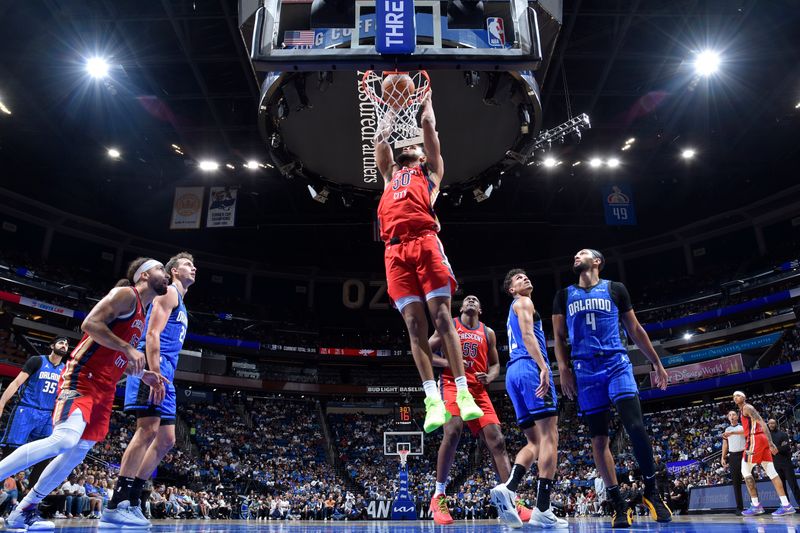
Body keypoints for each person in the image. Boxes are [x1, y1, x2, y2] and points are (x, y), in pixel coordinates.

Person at [0, 257, 169, 530]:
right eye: (161, 269)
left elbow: (114, 355)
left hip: (106, 388)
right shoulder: (127, 295)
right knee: (64, 439)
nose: (165, 275)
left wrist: (141, 373)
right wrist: (127, 348)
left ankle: (24, 510)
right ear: (145, 274)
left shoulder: (142, 312)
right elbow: (90, 324)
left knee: (77, 452)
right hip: (84, 377)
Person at [375, 91, 482, 433]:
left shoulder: (430, 173)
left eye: (414, 147)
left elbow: (428, 127)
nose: (409, 147)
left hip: (425, 243)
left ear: (421, 154)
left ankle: (463, 393)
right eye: (406, 147)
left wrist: (427, 99)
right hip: (394, 251)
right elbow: (380, 140)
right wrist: (390, 107)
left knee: (440, 317)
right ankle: (432, 399)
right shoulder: (390, 176)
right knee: (413, 324)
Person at [552, 249, 672, 528]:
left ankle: (651, 491)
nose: (575, 256)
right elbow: (558, 337)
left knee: (636, 427)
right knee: (598, 440)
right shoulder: (563, 295)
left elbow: (635, 329)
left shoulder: (615, 289)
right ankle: (618, 503)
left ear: (597, 262)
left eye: (581, 254)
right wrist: (565, 370)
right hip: (585, 370)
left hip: (616, 362)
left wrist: (656, 362)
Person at [102, 252, 196, 527]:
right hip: (153, 362)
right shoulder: (168, 294)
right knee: (147, 430)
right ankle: (116, 501)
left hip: (166, 367)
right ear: (174, 271)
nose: (194, 268)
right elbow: (152, 333)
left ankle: (133, 498)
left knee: (167, 438)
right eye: (188, 265)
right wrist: (153, 372)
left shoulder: (181, 301)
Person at [427, 295, 530, 524]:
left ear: (480, 309)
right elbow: (425, 351)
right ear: (462, 307)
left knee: (497, 441)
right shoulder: (449, 324)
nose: (471, 300)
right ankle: (439, 495)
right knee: (453, 431)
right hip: (452, 383)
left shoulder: (488, 332)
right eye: (467, 299)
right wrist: (449, 363)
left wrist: (490, 376)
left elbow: (495, 364)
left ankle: (512, 498)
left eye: (475, 299)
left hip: (478, 390)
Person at [490, 269, 567, 529]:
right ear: (511, 290)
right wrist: (543, 366)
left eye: (525, 276)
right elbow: (527, 335)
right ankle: (542, 508)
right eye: (517, 279)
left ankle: (509, 488)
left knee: (534, 440)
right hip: (529, 367)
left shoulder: (513, 306)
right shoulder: (524, 301)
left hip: (513, 373)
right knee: (549, 436)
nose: (525, 279)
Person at [0, 337, 68, 487]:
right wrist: (2, 403)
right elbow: (17, 382)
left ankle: (30, 494)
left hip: (47, 415)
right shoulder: (37, 361)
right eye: (61, 342)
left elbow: (63, 395)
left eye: (66, 344)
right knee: (11, 449)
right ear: (52, 346)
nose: (64, 345)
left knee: (47, 452)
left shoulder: (65, 370)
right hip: (26, 409)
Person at [726, 391, 794, 516]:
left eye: (738, 395)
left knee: (745, 469)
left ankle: (756, 505)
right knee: (772, 472)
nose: (736, 397)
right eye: (734, 396)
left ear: (744, 397)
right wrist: (733, 433)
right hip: (758, 439)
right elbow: (748, 430)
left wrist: (771, 442)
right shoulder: (743, 411)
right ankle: (786, 505)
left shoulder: (747, 407)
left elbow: (762, 423)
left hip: (755, 439)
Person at [768, 418, 800, 507]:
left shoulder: (783, 434)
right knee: (781, 487)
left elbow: (786, 447)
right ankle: (786, 506)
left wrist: (776, 449)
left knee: (793, 485)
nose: (771, 425)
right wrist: (779, 447)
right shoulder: (767, 437)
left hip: (786, 463)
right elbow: (767, 449)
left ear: (776, 424)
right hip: (776, 464)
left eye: (773, 423)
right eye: (770, 423)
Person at [721, 409, 746, 513]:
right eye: (730, 415)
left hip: (744, 454)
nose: (732, 416)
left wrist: (731, 432)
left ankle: (755, 505)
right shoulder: (726, 429)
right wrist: (723, 457)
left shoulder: (742, 427)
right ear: (728, 417)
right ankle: (739, 507)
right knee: (736, 482)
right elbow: (725, 444)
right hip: (733, 456)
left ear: (737, 416)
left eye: (734, 414)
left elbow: (746, 432)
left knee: (750, 479)